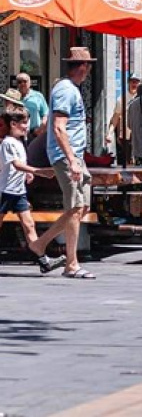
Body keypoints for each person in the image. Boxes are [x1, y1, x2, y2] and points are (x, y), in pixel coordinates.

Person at [27, 47, 97, 279]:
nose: (88, 69)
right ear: (82, 67)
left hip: (76, 157)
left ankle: (40, 245)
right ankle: (71, 263)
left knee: (81, 207)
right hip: (69, 157)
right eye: (88, 65)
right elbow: (58, 127)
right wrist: (71, 160)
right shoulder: (66, 91)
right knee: (75, 208)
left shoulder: (70, 89)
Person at [0, 92, 65, 273]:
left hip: (18, 191)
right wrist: (37, 171)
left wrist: (27, 174)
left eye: (26, 122)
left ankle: (43, 261)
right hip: (5, 190)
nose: (26, 126)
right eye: (22, 123)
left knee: (29, 224)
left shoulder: (20, 143)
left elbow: (21, 166)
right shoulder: (8, 143)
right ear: (13, 124)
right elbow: (16, 164)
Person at [107, 73, 141, 160]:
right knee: (125, 164)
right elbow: (115, 118)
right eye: (132, 82)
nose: (134, 84)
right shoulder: (121, 99)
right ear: (128, 83)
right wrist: (110, 133)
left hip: (140, 138)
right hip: (125, 137)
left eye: (136, 82)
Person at [16, 73, 49, 137]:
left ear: (30, 83)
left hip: (34, 132)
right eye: (19, 82)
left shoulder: (38, 96)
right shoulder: (13, 96)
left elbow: (46, 114)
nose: (22, 84)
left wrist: (41, 128)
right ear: (17, 84)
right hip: (18, 133)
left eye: (25, 81)